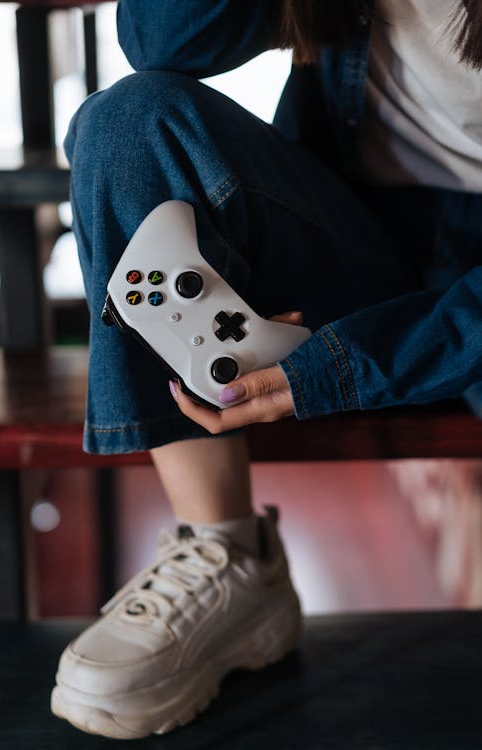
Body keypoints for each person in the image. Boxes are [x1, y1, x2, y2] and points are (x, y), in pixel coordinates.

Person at [51, 0, 482, 739]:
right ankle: (225, 550)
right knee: (131, 126)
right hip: (364, 229)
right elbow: (160, 40)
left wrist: (349, 366)